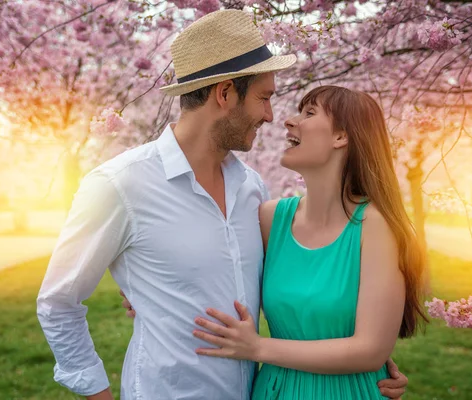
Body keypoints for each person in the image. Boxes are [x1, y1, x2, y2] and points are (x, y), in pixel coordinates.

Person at [37, 9, 408, 400]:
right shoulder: (120, 184)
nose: (270, 116)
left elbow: (311, 275)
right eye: (264, 98)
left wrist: (363, 368)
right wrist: (97, 391)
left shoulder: (252, 190)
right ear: (225, 93)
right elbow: (58, 300)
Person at [187, 85, 428, 399]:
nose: (289, 121)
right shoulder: (270, 220)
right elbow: (201, 264)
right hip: (275, 391)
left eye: (309, 113)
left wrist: (258, 347)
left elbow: (370, 350)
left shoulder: (375, 226)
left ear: (341, 137)